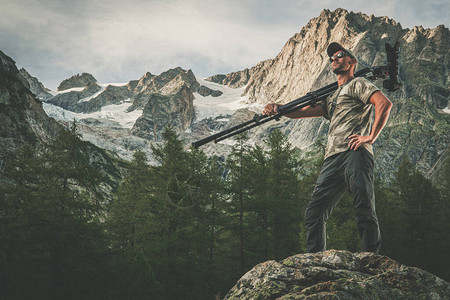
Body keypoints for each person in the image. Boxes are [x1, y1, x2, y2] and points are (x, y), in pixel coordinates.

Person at [263, 42, 393, 253]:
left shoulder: (358, 84)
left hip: (355, 152)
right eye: (332, 58)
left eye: (340, 55)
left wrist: (370, 137)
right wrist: (279, 107)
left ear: (352, 61)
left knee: (364, 204)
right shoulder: (331, 96)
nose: (335, 59)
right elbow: (302, 111)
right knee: (314, 212)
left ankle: (371, 257)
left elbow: (384, 103)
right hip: (332, 159)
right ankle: (315, 261)